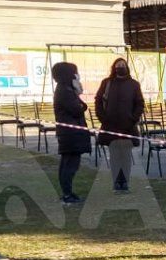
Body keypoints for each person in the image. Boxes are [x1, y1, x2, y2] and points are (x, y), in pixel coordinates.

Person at [94, 58, 144, 193]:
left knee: (126, 156)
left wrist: (133, 119)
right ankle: (116, 182)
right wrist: (103, 118)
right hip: (110, 126)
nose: (120, 67)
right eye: (118, 65)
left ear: (127, 68)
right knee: (115, 155)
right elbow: (98, 101)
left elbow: (140, 103)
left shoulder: (134, 84)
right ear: (114, 68)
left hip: (128, 126)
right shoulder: (107, 83)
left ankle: (125, 181)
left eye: (123, 65)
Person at [52, 62, 91, 204]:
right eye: (75, 72)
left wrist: (77, 93)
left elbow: (79, 106)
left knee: (69, 163)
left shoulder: (67, 89)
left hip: (72, 132)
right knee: (69, 165)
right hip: (71, 133)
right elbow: (76, 109)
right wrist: (80, 102)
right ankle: (67, 194)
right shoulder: (65, 90)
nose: (77, 75)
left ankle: (68, 192)